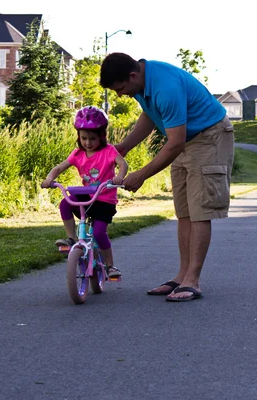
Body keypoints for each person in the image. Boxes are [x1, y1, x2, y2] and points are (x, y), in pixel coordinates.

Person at [100, 53, 234, 302]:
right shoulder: (143, 84)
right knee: (184, 211)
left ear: (132, 76)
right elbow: (150, 116)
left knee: (200, 211)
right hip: (186, 139)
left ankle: (192, 280)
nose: (120, 95)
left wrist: (141, 175)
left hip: (209, 137)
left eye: (120, 89)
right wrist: (124, 147)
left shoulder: (165, 87)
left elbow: (174, 144)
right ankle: (181, 276)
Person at [41, 106, 128, 278]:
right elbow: (59, 167)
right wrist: (49, 178)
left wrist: (119, 176)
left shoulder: (108, 150)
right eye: (84, 138)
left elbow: (123, 163)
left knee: (98, 232)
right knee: (65, 203)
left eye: (93, 138)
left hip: (105, 200)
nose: (88, 143)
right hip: (88, 197)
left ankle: (110, 266)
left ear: (102, 136)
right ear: (78, 137)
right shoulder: (78, 153)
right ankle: (72, 238)